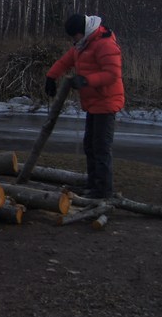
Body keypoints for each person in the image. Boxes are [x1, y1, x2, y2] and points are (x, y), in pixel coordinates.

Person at [44, 12, 125, 199]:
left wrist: (86, 81)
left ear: (82, 31)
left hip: (106, 102)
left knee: (101, 147)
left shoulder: (105, 44)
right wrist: (51, 76)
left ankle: (103, 190)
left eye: (74, 35)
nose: (73, 39)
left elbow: (112, 74)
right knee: (89, 145)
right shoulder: (83, 45)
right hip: (93, 103)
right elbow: (65, 61)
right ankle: (93, 184)